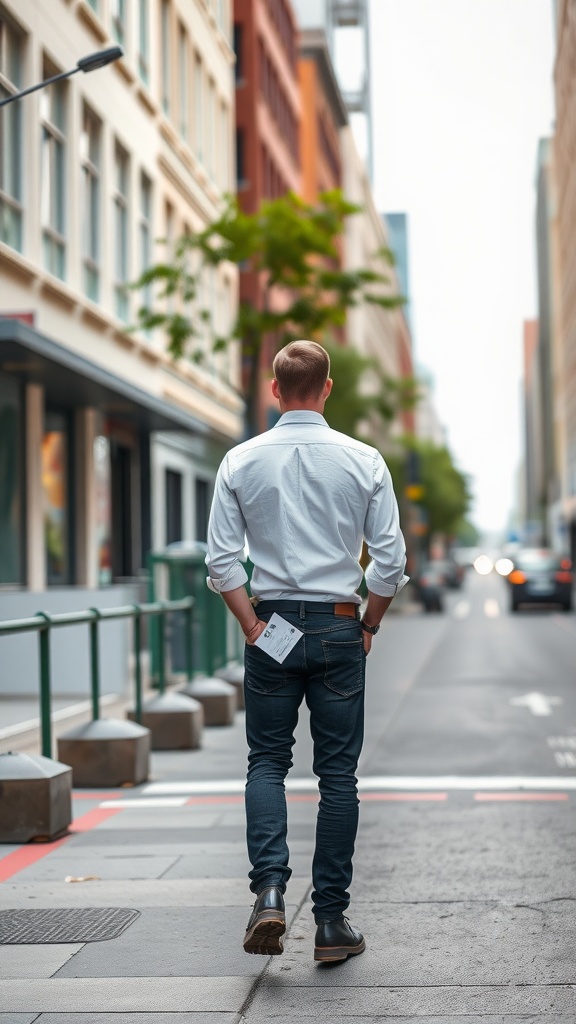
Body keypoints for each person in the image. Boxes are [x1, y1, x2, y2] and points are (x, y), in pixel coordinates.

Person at [205, 340, 408, 963]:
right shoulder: (364, 460)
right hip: (340, 626)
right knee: (337, 775)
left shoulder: (240, 460)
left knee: (266, 763)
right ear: (326, 388)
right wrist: (368, 623)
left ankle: (268, 894)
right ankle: (329, 923)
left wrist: (250, 626)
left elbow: (220, 561)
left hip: (271, 628)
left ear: (274, 388)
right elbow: (391, 561)